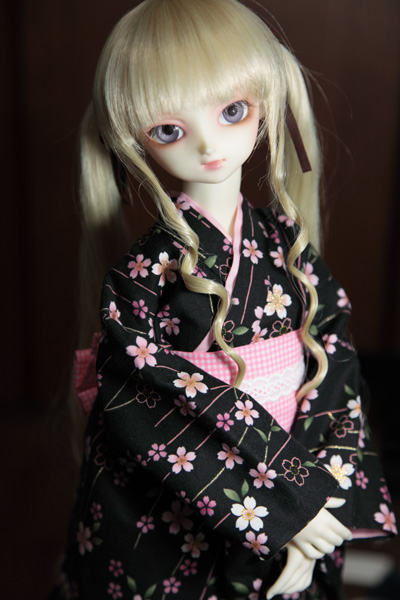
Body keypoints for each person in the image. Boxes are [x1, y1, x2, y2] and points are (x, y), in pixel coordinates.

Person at [52, 1, 397, 598]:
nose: (209, 144)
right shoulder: (148, 272)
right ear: (132, 137)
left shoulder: (285, 242)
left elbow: (334, 359)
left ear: (265, 103)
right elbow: (140, 401)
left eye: (233, 111)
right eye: (169, 130)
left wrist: (321, 493)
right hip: (183, 498)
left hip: (295, 474)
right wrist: (287, 506)